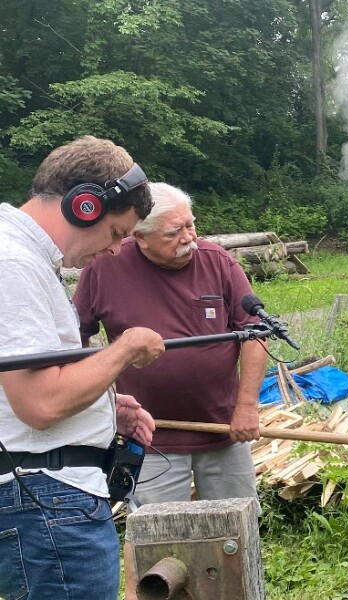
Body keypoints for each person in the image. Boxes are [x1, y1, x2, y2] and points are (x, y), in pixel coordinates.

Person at [0, 136, 166, 600]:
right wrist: (125, 348)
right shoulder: (13, 262)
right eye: (116, 233)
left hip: (46, 500)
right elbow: (39, 402)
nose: (116, 250)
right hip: (47, 502)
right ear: (85, 206)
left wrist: (104, 404)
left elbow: (24, 389)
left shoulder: (23, 257)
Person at [74, 182, 267, 508]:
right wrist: (95, 401)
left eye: (190, 225)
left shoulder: (217, 262)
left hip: (223, 430)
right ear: (140, 237)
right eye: (173, 232)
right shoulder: (104, 267)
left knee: (236, 532)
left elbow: (256, 333)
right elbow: (75, 338)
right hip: (150, 435)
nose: (188, 237)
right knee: (161, 538)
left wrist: (247, 406)